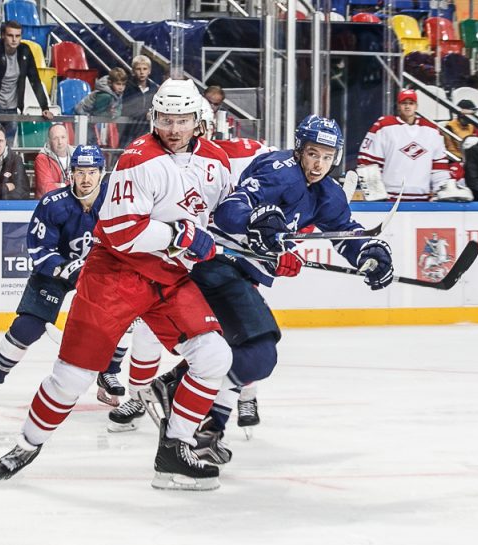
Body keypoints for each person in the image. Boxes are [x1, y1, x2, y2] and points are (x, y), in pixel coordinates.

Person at [0, 79, 235, 491]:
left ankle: (175, 450)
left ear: (199, 121)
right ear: (155, 118)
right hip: (114, 275)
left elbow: (227, 206)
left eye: (183, 120)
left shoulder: (215, 159)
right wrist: (183, 235)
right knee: (72, 377)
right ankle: (27, 444)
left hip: (168, 277)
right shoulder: (138, 159)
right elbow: (121, 231)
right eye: (166, 119)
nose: (173, 128)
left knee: (213, 355)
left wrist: (262, 233)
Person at [119, 116, 396, 464]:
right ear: (299, 150)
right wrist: (261, 225)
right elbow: (231, 210)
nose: (318, 164)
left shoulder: (328, 193)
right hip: (216, 265)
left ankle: (207, 428)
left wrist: (368, 254)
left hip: (242, 275)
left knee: (248, 355)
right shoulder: (279, 169)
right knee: (259, 353)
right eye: (312, 153)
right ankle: (176, 388)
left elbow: (345, 232)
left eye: (327, 157)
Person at [108, 104, 269, 437]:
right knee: (148, 331)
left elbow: (237, 210)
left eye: (193, 124)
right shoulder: (160, 159)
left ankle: (247, 396)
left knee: (244, 330)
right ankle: (141, 395)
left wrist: (258, 239)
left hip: (220, 263)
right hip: (177, 262)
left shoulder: (226, 158)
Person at [0, 145, 126, 403]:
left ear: (102, 172)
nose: (86, 179)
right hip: (56, 271)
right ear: (72, 173)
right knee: (28, 325)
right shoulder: (53, 203)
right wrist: (67, 268)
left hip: (99, 271)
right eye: (80, 172)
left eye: (92, 172)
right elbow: (40, 248)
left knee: (121, 319)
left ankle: (108, 374)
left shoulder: (115, 202)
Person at [356, 89, 450, 201]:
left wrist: (440, 193)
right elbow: (367, 161)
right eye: (404, 103)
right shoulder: (383, 126)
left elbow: (439, 168)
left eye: (411, 103)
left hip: (422, 200)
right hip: (390, 199)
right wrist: (375, 196)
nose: (407, 106)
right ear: (398, 105)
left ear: (416, 106)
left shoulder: (432, 130)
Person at [0, 20, 54, 142]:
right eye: (10, 35)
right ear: (3, 35)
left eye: (17, 36)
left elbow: (35, 79)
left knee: (7, 151)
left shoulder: (25, 51)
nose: (14, 39)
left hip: (13, 110)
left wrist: (44, 107)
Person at [74, 67, 128, 147]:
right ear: (110, 83)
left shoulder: (117, 93)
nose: (121, 87)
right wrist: (110, 114)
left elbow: (118, 107)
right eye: (118, 84)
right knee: (88, 143)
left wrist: (115, 114)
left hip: (91, 119)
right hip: (82, 115)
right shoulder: (105, 95)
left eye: (123, 84)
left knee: (92, 142)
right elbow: (97, 113)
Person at [120, 55, 159, 142]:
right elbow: (126, 108)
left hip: (148, 130)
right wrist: (145, 114)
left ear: (149, 71)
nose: (142, 72)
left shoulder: (154, 88)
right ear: (133, 71)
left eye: (145, 69)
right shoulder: (127, 87)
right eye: (138, 69)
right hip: (129, 131)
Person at [33, 123, 72, 198]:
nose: (60, 142)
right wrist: (69, 186)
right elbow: (46, 189)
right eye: (55, 138)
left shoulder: (76, 156)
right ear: (49, 141)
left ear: (67, 138)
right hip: (48, 204)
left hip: (70, 203)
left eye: (63, 137)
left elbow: (81, 186)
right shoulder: (42, 158)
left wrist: (59, 185)